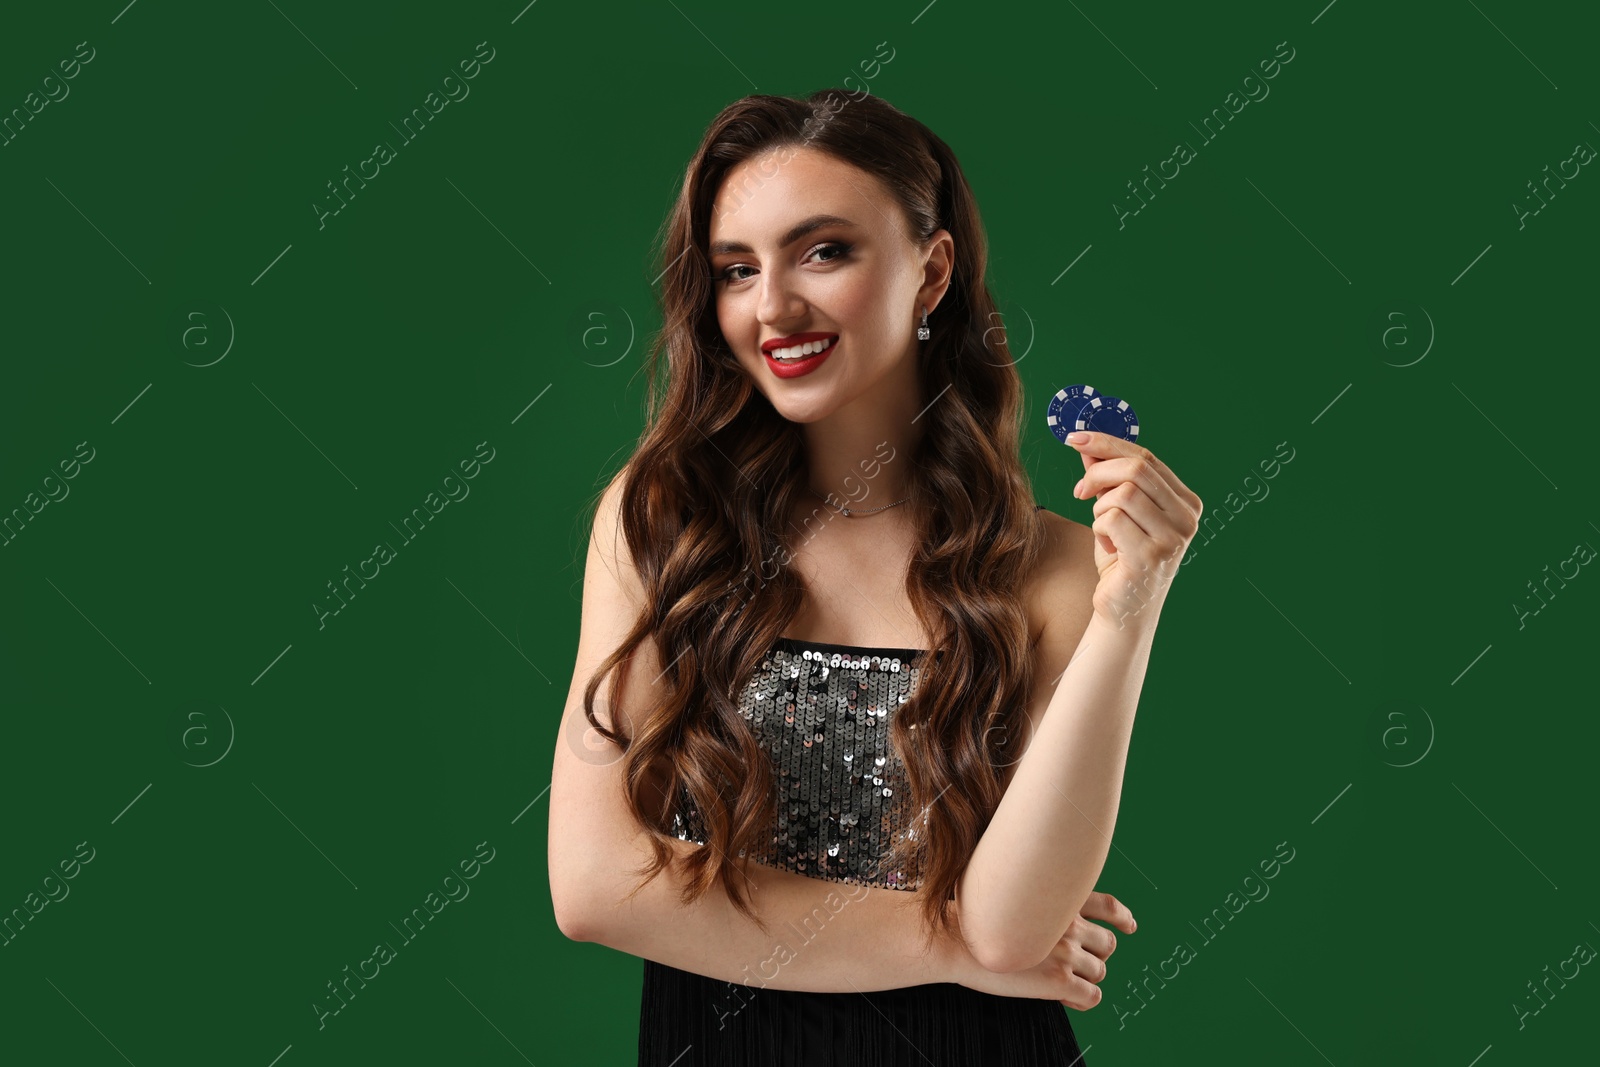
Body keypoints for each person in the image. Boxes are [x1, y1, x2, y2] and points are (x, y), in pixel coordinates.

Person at [548, 88, 1203, 1066]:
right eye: (735, 268)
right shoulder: (659, 520)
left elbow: (1017, 928)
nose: (772, 306)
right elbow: (595, 886)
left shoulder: (1058, 568)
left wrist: (1131, 603)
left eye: (823, 251)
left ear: (931, 271)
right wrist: (949, 943)